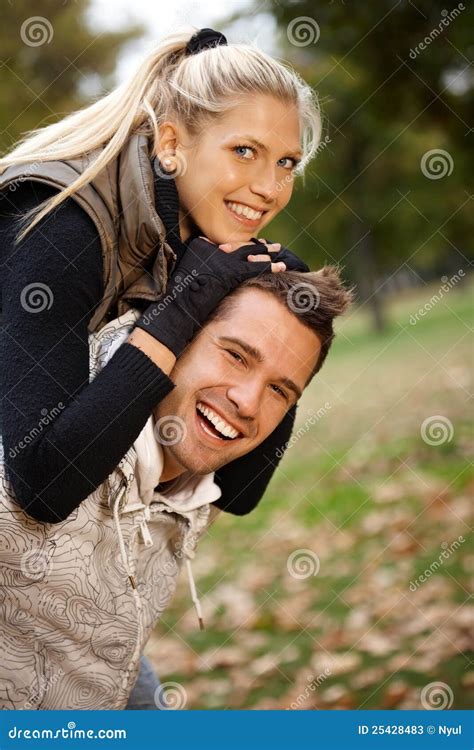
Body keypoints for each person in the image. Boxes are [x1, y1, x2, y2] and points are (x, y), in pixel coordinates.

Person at [0, 26, 323, 708]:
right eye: (246, 152)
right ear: (172, 144)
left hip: (72, 592)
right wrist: (191, 302)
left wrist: (294, 328)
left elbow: (238, 491)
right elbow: (43, 481)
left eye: (287, 163)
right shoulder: (64, 226)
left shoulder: (188, 233)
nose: (268, 188)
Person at [0, 246, 353, 709]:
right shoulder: (30, 455)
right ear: (178, 335)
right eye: (236, 356)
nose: (247, 402)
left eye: (279, 390)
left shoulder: (204, 480)